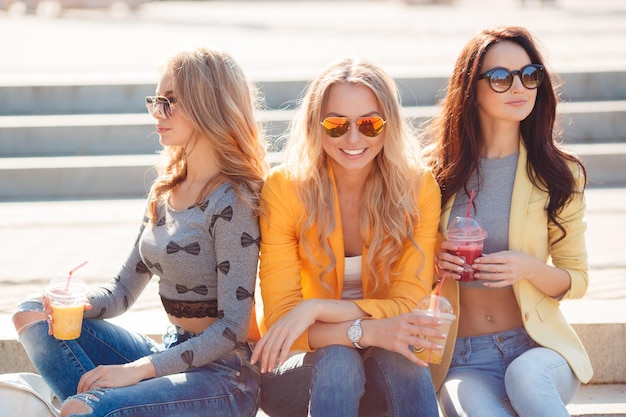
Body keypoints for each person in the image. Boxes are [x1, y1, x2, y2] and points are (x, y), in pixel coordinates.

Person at [12, 47, 268, 417]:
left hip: (224, 376)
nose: (156, 112)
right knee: (32, 313)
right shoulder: (164, 192)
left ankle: (94, 407)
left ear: (207, 106)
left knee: (86, 409)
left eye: (169, 102)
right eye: (155, 100)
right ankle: (95, 405)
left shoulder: (233, 200)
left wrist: (134, 372)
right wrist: (81, 305)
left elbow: (232, 327)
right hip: (169, 352)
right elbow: (121, 293)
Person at [250, 57, 442, 417]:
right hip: (297, 372)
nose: (354, 138)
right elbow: (281, 324)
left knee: (402, 358)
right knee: (340, 359)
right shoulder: (284, 189)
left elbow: (410, 306)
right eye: (337, 125)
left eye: (369, 124)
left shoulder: (418, 188)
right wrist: (367, 332)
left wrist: (316, 309)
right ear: (315, 126)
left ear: (389, 126)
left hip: (383, 370)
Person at [420, 26, 593, 417]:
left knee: (524, 378)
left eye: (529, 75)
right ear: (471, 89)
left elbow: (576, 279)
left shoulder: (559, 173)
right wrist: (433, 261)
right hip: (463, 357)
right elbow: (403, 262)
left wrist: (529, 268)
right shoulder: (433, 172)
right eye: (500, 78)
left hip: (536, 349)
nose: (519, 87)